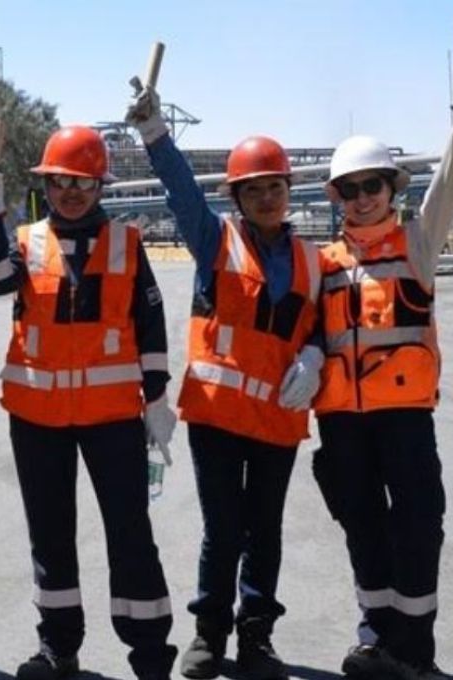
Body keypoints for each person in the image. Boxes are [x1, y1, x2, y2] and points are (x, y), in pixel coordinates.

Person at [124, 82, 324, 680]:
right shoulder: (216, 242)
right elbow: (182, 193)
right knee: (224, 529)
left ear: (290, 191)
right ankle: (209, 632)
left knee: (264, 529)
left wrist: (313, 356)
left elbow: (325, 326)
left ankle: (257, 635)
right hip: (215, 417)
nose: (267, 197)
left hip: (276, 422)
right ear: (237, 197)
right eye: (254, 189)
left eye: (275, 187)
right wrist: (154, 133)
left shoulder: (315, 260)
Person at [311, 57, 453, 680]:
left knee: (418, 531)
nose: (363, 198)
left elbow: (452, 177)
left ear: (392, 190)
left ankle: (415, 653)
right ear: (336, 195)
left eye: (373, 186)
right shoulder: (324, 262)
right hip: (342, 425)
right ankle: (376, 641)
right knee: (363, 531)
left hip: (405, 421)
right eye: (351, 188)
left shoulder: (417, 244)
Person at [0, 124, 178, 680]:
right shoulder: (24, 240)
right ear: (47, 182)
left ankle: (150, 654)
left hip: (113, 420)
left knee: (130, 534)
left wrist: (157, 398)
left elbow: (151, 322)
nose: (71, 192)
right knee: (51, 536)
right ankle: (58, 648)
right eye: (62, 180)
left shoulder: (129, 244)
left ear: (100, 187)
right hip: (37, 420)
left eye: (83, 183)